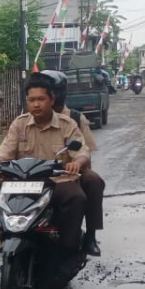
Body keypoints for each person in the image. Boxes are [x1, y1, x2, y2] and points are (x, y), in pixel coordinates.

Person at [0, 73, 90, 253]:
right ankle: (6, 235)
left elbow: (81, 153)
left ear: (52, 99)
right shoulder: (20, 124)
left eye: (41, 99)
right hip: (24, 183)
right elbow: (5, 153)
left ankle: (68, 246)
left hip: (57, 182)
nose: (36, 104)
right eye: (31, 99)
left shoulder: (67, 124)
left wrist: (77, 163)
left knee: (76, 197)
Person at [41, 70, 105, 256]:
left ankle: (90, 236)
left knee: (93, 181)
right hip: (37, 172)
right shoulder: (28, 118)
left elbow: (86, 153)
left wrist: (79, 167)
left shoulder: (76, 119)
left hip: (69, 171)